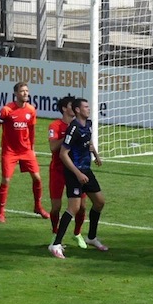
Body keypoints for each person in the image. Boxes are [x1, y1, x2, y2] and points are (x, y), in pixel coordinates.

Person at [49, 97, 108, 258]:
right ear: (77, 110)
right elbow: (63, 154)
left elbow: (87, 140)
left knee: (99, 202)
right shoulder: (73, 128)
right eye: (86, 107)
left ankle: (91, 237)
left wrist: (95, 154)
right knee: (73, 208)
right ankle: (56, 244)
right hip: (74, 172)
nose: (89, 109)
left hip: (86, 170)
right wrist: (77, 173)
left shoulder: (87, 124)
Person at [0, 81, 48, 223]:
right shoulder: (6, 110)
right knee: (6, 180)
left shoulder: (31, 110)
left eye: (27, 91)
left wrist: (33, 149)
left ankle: (38, 207)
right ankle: (1, 213)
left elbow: (32, 130)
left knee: (37, 178)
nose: (25, 93)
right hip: (10, 152)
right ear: (16, 94)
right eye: (22, 91)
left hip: (26, 150)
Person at [46, 95, 86, 246]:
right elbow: (53, 147)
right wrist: (69, 135)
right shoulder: (55, 126)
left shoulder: (80, 124)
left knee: (81, 207)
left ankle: (77, 233)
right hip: (57, 171)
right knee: (56, 207)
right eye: (71, 105)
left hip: (75, 170)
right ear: (64, 108)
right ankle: (55, 233)